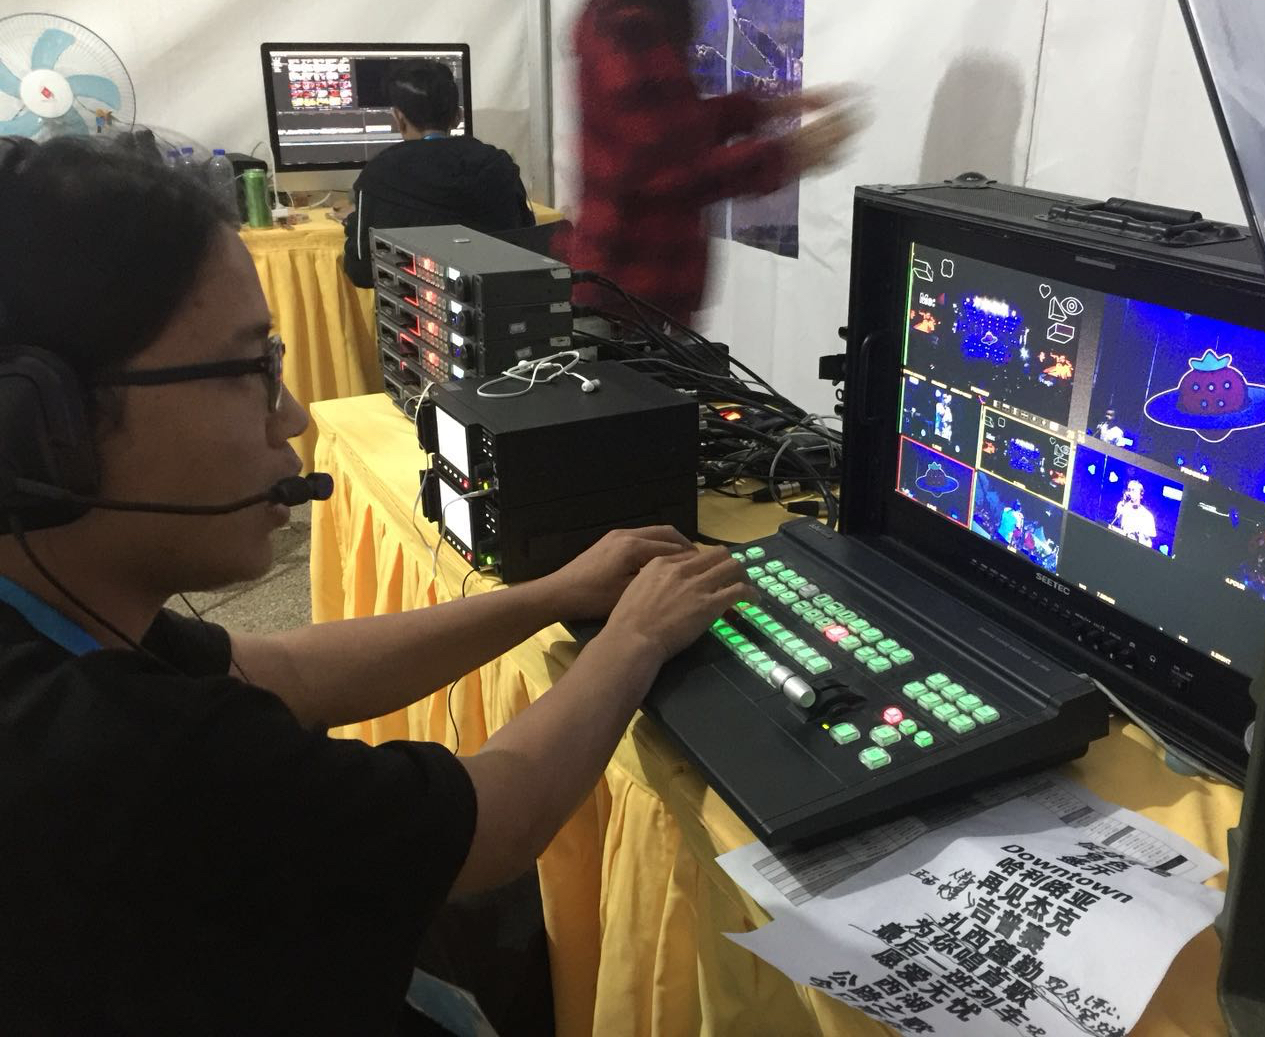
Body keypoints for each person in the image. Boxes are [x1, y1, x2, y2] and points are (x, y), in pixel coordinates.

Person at [0, 137, 748, 1033]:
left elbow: (282, 670)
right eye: (250, 369)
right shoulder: (111, 756)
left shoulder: (54, 619)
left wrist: (549, 594)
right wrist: (636, 638)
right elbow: (496, 822)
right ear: (42, 426)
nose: (291, 415)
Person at [567, 0, 862, 326]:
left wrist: (770, 109)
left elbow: (674, 128)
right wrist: (788, 154)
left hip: (650, 291)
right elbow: (662, 172)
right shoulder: (625, 23)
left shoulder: (641, 7)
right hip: (626, 295)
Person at [343, 61, 535, 289]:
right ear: (458, 117)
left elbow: (362, 271)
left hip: (415, 304)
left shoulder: (378, 174)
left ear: (399, 119)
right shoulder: (499, 165)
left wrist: (352, 222)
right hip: (497, 298)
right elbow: (526, 243)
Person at [1111, 479, 1158, 547]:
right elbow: (1114, 526)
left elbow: (1149, 543)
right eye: (1129, 490)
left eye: (1133, 490)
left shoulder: (1148, 516)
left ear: (1141, 494)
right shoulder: (1123, 507)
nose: (1130, 493)